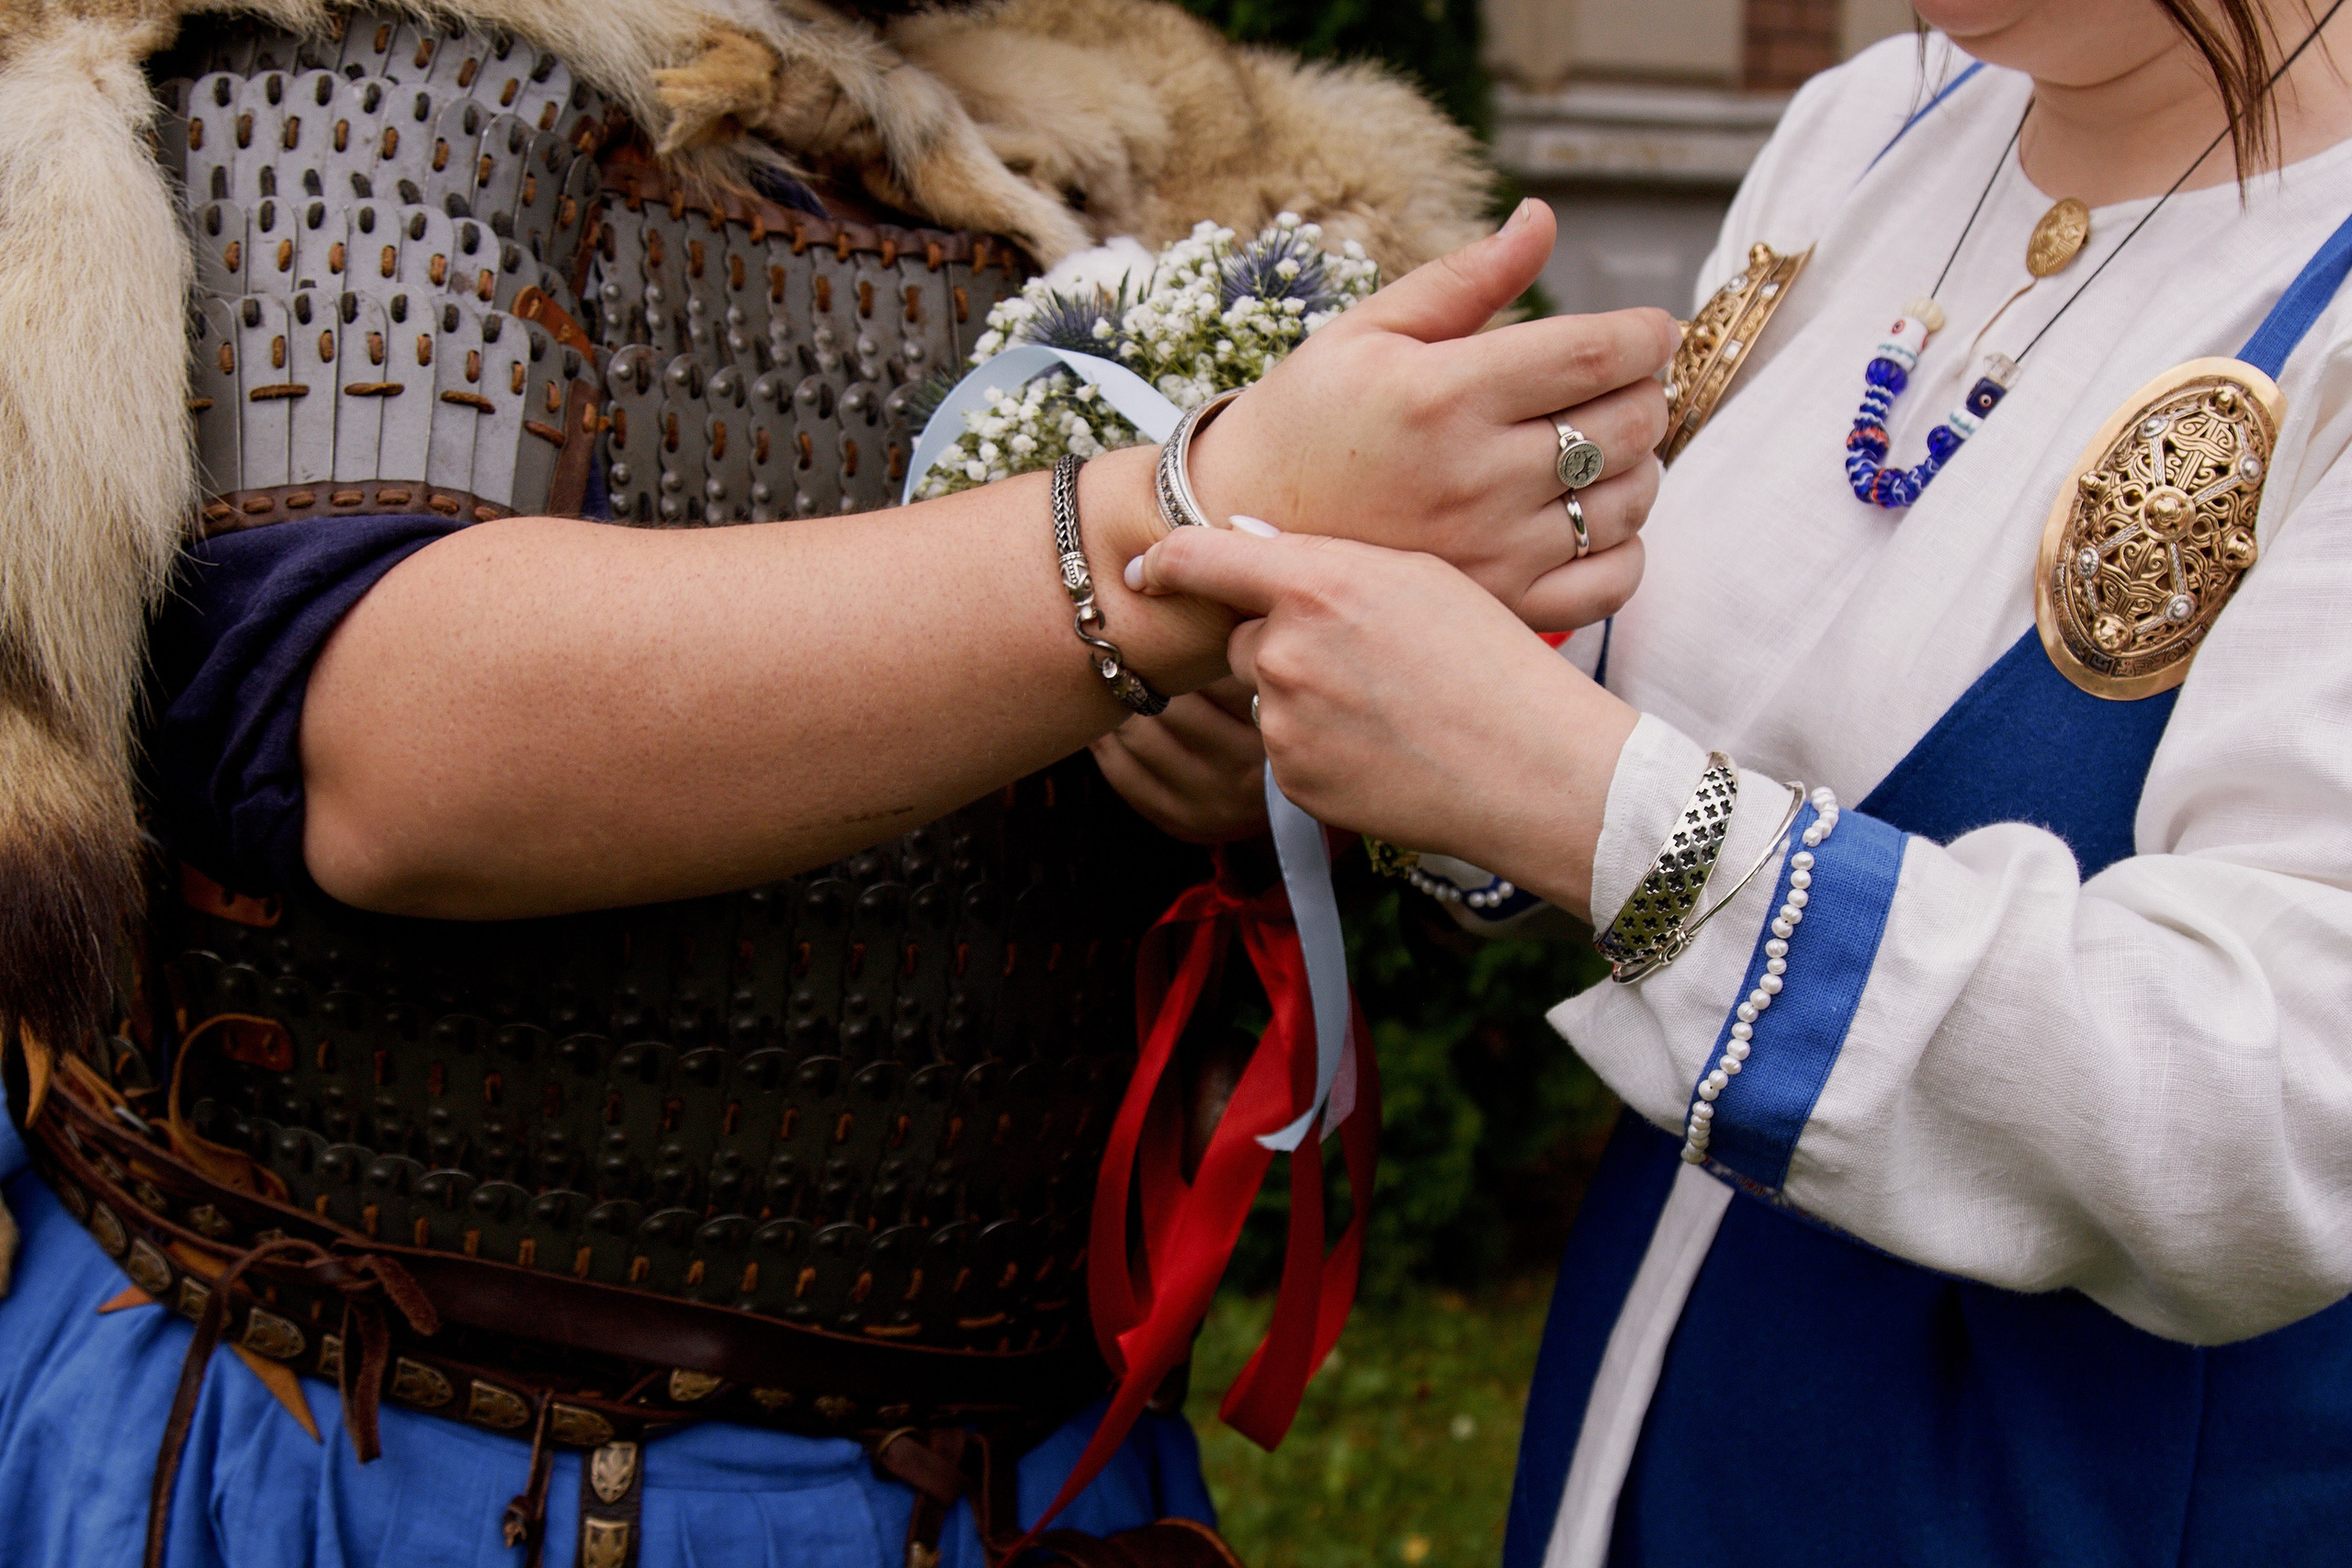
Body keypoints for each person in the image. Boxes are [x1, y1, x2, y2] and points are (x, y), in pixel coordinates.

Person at [0, 4, 1667, 1565]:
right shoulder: (366, 63)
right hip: (399, 1459)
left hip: (1019, 1465)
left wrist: (1273, 721)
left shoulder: (1166, 155)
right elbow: (395, 755)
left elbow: (1524, 808)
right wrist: (1168, 528)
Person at [1125, 0, 2352, 1562]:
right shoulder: (1876, 125)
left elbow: (2277, 1102)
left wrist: (1575, 792)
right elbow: (1676, 715)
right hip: (1658, 1386)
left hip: (2072, 1481)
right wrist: (1369, 710)